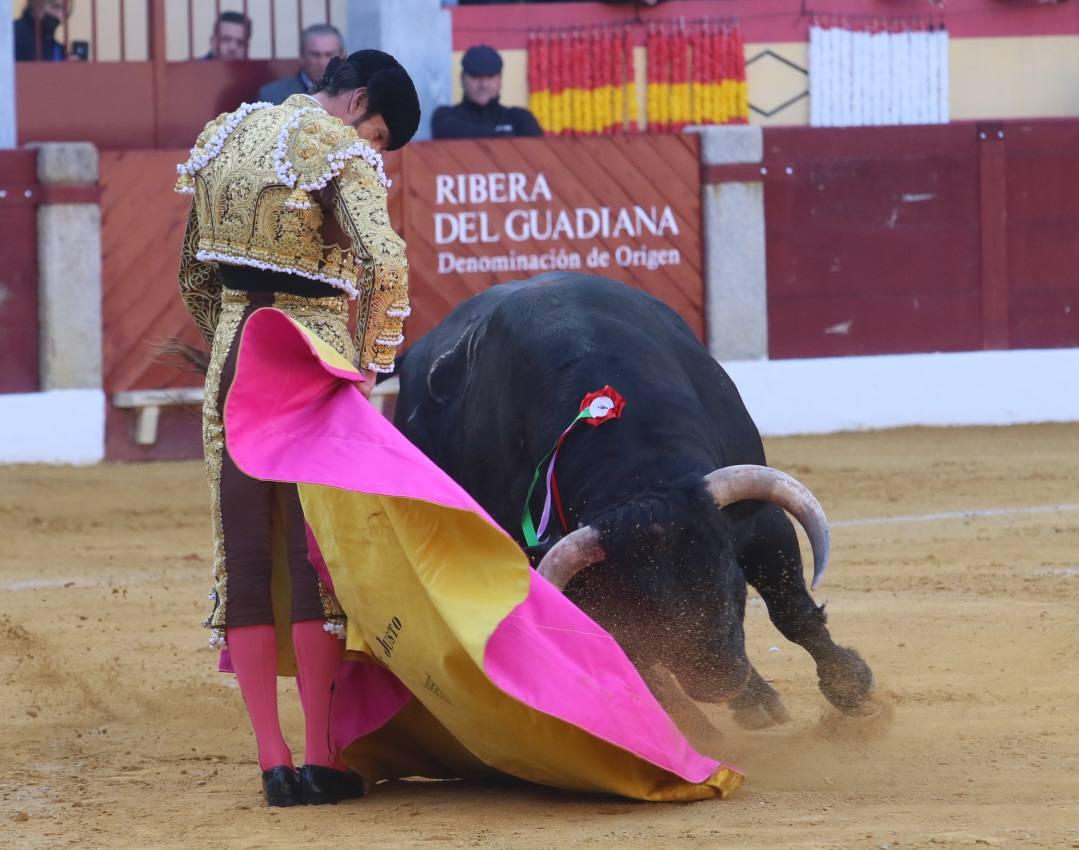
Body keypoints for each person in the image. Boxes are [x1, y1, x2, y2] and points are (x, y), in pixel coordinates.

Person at [175, 50, 420, 807]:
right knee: (316, 562)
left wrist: (231, 344)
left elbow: (193, 275)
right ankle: (321, 754)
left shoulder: (224, 134)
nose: (373, 152)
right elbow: (386, 262)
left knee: (246, 567)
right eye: (379, 135)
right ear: (358, 105)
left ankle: (273, 764)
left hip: (233, 368)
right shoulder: (336, 149)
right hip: (311, 365)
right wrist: (369, 366)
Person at [431, 44, 543, 139]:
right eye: (475, 76)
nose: (483, 85)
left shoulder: (519, 118)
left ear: (500, 80)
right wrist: (507, 137)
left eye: (490, 77)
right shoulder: (445, 117)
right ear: (462, 79)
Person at [258, 23, 345, 105]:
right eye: (315, 55)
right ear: (301, 56)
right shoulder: (272, 95)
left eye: (329, 55)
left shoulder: (354, 93)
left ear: (342, 56)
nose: (322, 62)